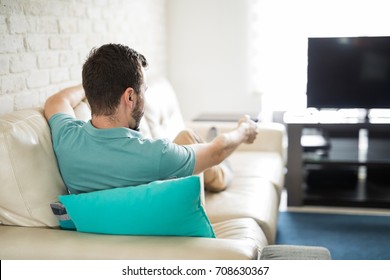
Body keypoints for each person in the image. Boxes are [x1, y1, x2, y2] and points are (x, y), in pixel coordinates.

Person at [44, 43, 258, 194]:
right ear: (129, 96)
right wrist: (244, 130)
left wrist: (97, 85)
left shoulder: (66, 137)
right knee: (192, 142)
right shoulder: (155, 155)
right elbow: (217, 151)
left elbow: (56, 100)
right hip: (174, 181)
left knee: (185, 137)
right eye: (143, 90)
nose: (144, 97)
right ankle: (223, 172)